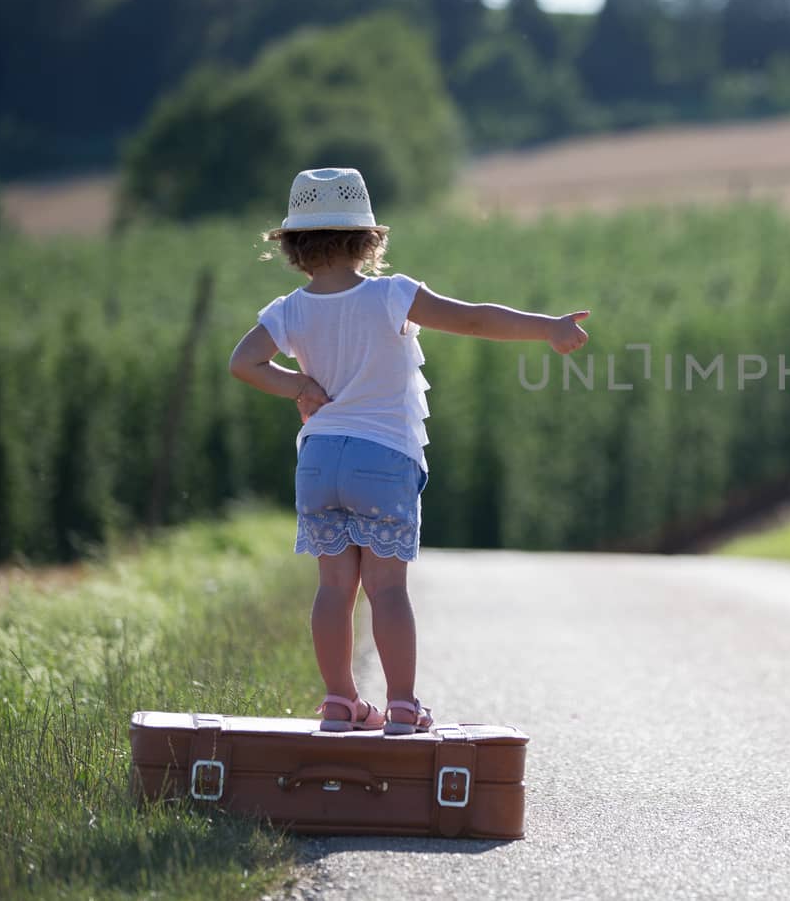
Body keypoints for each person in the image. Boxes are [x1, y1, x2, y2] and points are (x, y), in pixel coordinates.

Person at [229, 168, 589, 734]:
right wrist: (547, 327)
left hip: (319, 459)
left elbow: (242, 363)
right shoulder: (392, 294)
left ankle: (340, 702)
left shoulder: (288, 310)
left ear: (294, 245)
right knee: (388, 589)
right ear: (369, 238)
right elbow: (471, 318)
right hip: (383, 459)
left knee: (332, 588)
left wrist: (298, 386)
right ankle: (400, 705)